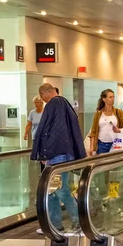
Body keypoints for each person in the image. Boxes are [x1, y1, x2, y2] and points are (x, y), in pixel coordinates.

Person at [32, 83, 86, 233]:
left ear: (44, 94)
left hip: (56, 155)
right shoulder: (65, 104)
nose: (42, 100)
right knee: (51, 190)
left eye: (41, 97)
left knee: (61, 190)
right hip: (63, 153)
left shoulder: (53, 105)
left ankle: (78, 221)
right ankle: (55, 224)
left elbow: (49, 131)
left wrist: (44, 152)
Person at [89, 89, 123, 155]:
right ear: (104, 99)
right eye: (110, 97)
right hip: (101, 145)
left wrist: (119, 130)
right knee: (102, 164)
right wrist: (92, 147)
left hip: (116, 144)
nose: (112, 99)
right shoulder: (98, 114)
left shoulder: (118, 112)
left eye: (113, 97)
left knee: (115, 164)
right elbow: (93, 132)